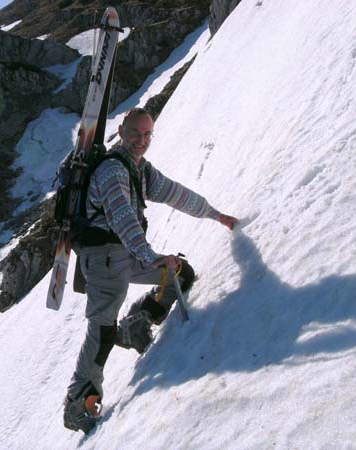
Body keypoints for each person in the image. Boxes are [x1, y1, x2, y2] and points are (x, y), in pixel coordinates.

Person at [63, 108, 238, 433]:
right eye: (135, 133)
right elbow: (122, 219)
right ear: (121, 130)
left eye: (147, 134)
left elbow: (177, 194)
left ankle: (137, 324)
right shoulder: (112, 171)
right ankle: (77, 402)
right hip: (103, 260)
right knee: (102, 329)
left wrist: (216, 215)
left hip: (127, 253)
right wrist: (153, 255)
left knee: (180, 274)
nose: (141, 140)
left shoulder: (139, 170)